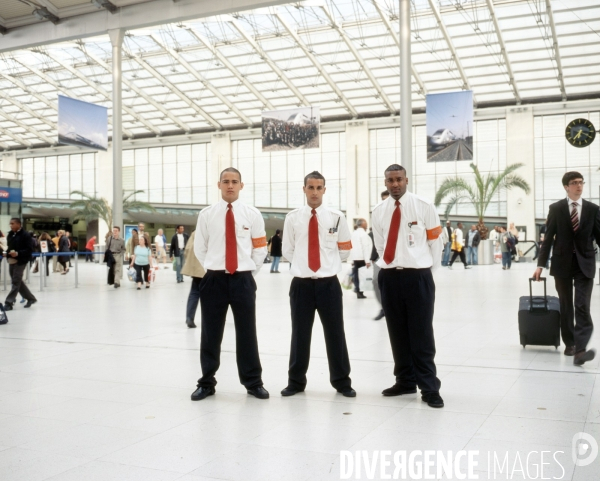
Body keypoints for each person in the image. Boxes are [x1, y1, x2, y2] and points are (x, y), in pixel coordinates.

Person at [191, 167, 269, 401]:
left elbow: (260, 248)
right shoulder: (206, 214)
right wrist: (214, 268)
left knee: (247, 332)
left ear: (241, 185)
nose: (230, 185)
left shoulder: (252, 214)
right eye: (226, 181)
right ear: (219, 185)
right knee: (210, 333)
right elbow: (200, 248)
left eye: (235, 181)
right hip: (214, 279)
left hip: (243, 279)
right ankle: (206, 382)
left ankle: (253, 382)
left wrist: (247, 272)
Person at [372, 164, 444, 408]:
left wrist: (426, 271)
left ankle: (429, 387)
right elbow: (381, 246)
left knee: (421, 333)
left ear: (406, 180)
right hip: (390, 277)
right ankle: (405, 380)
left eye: (399, 179)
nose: (395, 184)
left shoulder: (424, 206)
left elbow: (436, 243)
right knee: (397, 332)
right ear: (385, 182)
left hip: (418, 277)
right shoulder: (379, 211)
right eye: (390, 180)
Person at [281, 171, 356, 398]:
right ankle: (295, 382)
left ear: (324, 190)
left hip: (329, 285)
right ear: (303, 189)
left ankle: (342, 381)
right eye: (310, 187)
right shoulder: (292, 218)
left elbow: (345, 250)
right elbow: (287, 250)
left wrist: (327, 263)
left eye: (319, 187)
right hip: (301, 285)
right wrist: (305, 265)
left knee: (335, 333)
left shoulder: (336, 217)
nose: (314, 192)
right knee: (299, 334)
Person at [534, 171, 600, 366]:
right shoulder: (556, 208)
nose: (578, 186)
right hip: (562, 263)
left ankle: (580, 350)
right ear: (566, 186)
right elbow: (547, 240)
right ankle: (570, 343)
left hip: (585, 264)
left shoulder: (592, 209)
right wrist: (540, 265)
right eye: (574, 183)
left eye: (581, 182)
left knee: (582, 305)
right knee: (565, 305)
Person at [3, 218, 37, 311]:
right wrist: (6, 252)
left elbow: (29, 250)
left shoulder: (25, 235)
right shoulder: (10, 234)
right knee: (17, 281)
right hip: (11, 260)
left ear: (18, 224)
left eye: (12, 223)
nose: (11, 225)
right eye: (10, 224)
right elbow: (10, 247)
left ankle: (9, 302)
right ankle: (31, 298)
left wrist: (18, 253)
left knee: (15, 281)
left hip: (21, 261)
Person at [370, 190, 390, 321]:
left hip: (397, 258)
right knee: (376, 281)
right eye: (383, 199)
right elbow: (374, 237)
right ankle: (384, 307)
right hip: (379, 257)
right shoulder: (378, 214)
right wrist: (372, 257)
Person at [181, 230, 206, 328]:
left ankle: (189, 317)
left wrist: (192, 263)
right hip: (209, 270)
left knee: (194, 293)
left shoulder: (195, 233)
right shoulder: (213, 230)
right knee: (210, 296)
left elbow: (187, 249)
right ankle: (208, 319)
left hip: (197, 270)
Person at [350, 218, 372, 298]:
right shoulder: (363, 234)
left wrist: (352, 259)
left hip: (355, 258)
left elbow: (350, 247)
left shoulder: (353, 234)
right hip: (362, 258)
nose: (367, 226)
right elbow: (365, 248)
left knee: (356, 275)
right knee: (362, 276)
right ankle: (360, 291)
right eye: (366, 224)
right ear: (363, 225)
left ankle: (357, 290)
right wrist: (367, 261)